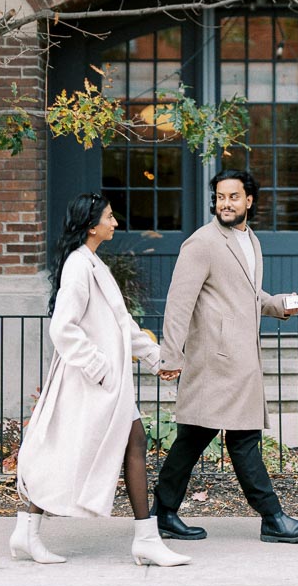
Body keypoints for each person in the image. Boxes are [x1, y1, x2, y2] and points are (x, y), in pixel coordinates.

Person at [13, 192, 189, 567]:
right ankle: (141, 538)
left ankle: (143, 537)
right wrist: (100, 368)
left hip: (105, 384)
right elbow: (62, 328)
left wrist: (158, 359)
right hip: (90, 382)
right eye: (109, 217)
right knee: (66, 451)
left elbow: (121, 326)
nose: (115, 223)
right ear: (92, 226)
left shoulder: (91, 263)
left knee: (131, 442)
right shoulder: (79, 265)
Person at [153, 169, 298, 544]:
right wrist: (171, 356)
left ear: (249, 200)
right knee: (232, 439)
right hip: (216, 361)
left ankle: (164, 513)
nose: (225, 203)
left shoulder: (249, 240)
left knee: (197, 439)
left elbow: (244, 293)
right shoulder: (203, 243)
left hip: (238, 361)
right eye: (219, 196)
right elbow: (179, 303)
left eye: (232, 196)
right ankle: (273, 519)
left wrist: (278, 305)